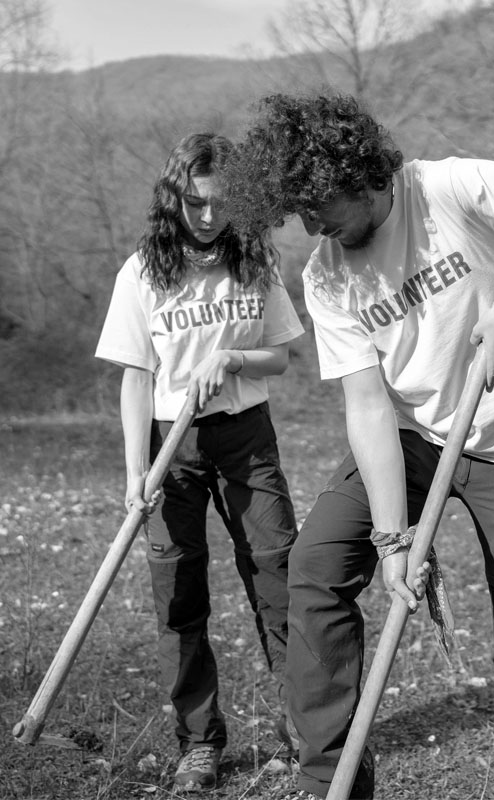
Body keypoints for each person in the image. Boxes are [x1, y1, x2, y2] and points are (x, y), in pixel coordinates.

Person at [227, 93, 494, 800]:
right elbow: (368, 405)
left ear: (358, 171)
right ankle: (332, 782)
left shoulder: (446, 187)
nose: (312, 226)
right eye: (298, 213)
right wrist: (391, 538)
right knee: (315, 568)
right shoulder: (325, 276)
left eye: (319, 205)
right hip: (410, 439)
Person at [95, 132, 305, 792]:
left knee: (279, 579)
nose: (209, 216)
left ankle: (305, 732)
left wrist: (234, 357)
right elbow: (134, 376)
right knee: (179, 598)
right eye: (196, 202)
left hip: (246, 437)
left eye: (221, 203)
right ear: (175, 197)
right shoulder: (143, 272)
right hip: (170, 446)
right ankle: (199, 742)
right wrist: (137, 472)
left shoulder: (255, 261)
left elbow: (280, 354)